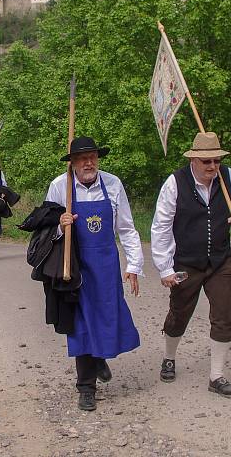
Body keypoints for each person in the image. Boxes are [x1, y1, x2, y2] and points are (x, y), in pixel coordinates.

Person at [150, 132, 231, 399]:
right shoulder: (175, 183)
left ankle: (216, 376)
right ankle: (169, 357)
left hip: (220, 260)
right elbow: (161, 227)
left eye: (217, 161)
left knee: (224, 314)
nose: (213, 167)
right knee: (179, 313)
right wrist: (165, 268)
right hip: (186, 262)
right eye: (207, 162)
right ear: (194, 159)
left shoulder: (230, 178)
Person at [45, 136, 143, 412]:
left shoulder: (113, 185)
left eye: (93, 157)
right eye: (82, 158)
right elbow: (44, 231)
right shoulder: (58, 187)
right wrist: (61, 225)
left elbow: (126, 227)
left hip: (105, 267)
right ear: (73, 163)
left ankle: (98, 356)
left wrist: (133, 265)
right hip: (74, 267)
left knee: (107, 317)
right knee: (81, 324)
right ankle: (86, 387)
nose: (89, 162)